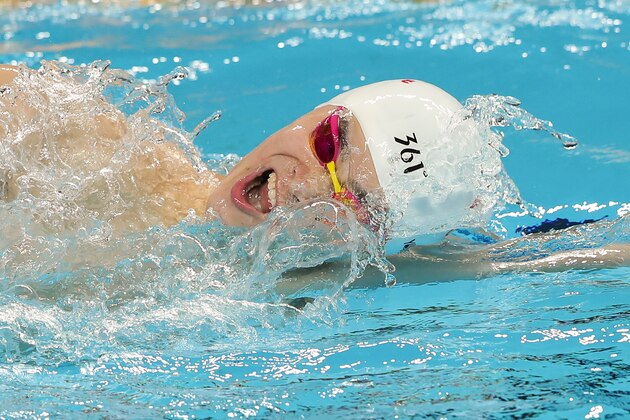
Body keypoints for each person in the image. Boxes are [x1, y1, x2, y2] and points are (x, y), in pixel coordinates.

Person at [1, 64, 627, 279]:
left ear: (374, 246)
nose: (302, 189)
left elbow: (512, 261)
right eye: (329, 143)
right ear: (320, 110)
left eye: (354, 205)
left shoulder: (290, 282)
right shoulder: (62, 138)